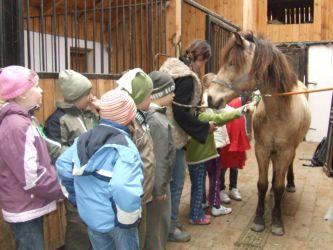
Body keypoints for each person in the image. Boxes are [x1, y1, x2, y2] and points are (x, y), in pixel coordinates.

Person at [56, 89, 143, 250]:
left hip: (92, 217)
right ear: (129, 116)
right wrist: (129, 220)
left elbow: (62, 165)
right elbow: (122, 186)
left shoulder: (83, 138)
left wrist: (78, 198)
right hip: (118, 221)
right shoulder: (125, 147)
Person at [0, 65, 63, 249]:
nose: (42, 89)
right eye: (36, 86)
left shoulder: (22, 120)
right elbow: (32, 177)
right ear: (22, 94)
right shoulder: (18, 126)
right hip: (25, 207)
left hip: (26, 203)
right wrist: (60, 188)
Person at [160, 40, 214, 241]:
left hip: (159, 133)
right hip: (173, 138)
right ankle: (171, 228)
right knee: (175, 185)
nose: (203, 67)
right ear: (201, 59)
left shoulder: (170, 68)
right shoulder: (187, 78)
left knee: (164, 185)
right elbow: (181, 112)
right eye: (204, 62)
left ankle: (166, 223)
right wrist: (204, 128)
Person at [43, 69, 99, 250]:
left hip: (93, 181)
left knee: (94, 225)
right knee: (78, 227)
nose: (91, 97)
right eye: (87, 94)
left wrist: (98, 110)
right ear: (76, 96)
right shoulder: (58, 120)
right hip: (75, 183)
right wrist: (87, 154)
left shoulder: (88, 114)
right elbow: (56, 152)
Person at [185, 95, 246, 223]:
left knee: (198, 184)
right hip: (205, 154)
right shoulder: (203, 115)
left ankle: (200, 207)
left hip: (195, 156)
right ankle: (206, 210)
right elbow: (220, 118)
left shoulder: (191, 116)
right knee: (210, 178)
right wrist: (242, 110)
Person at [116, 68, 155, 248]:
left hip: (142, 193)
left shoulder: (139, 118)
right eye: (148, 94)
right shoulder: (130, 124)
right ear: (138, 98)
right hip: (134, 195)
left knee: (141, 234)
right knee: (135, 238)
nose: (151, 98)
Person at [145, 71, 176, 249]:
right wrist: (160, 187)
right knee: (158, 224)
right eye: (171, 91)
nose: (174, 94)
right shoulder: (157, 120)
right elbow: (159, 157)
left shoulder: (154, 114)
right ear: (161, 94)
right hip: (159, 184)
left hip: (158, 182)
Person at [219, 97, 252, 203]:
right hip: (225, 134)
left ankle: (233, 187)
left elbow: (246, 114)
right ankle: (221, 189)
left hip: (237, 135)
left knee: (235, 163)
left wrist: (248, 131)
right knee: (223, 163)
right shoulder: (222, 96)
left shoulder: (241, 97)